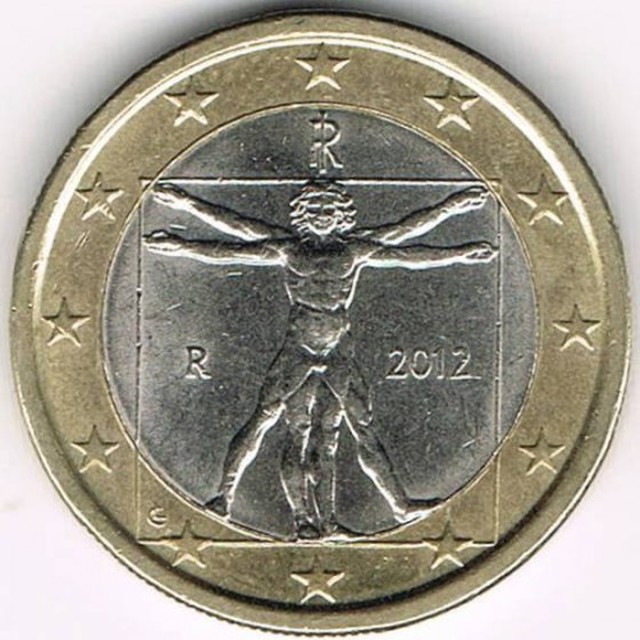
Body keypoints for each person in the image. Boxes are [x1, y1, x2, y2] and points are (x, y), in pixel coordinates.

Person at [147, 180, 495, 538]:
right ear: (302, 215)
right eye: (314, 209)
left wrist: (458, 231)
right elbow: (232, 238)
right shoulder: (288, 249)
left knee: (345, 432)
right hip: (299, 350)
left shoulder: (355, 250)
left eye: (329, 209)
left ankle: (375, 513)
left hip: (337, 350)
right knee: (275, 424)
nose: (322, 215)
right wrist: (182, 220)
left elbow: (407, 243)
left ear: (343, 215)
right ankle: (231, 498)